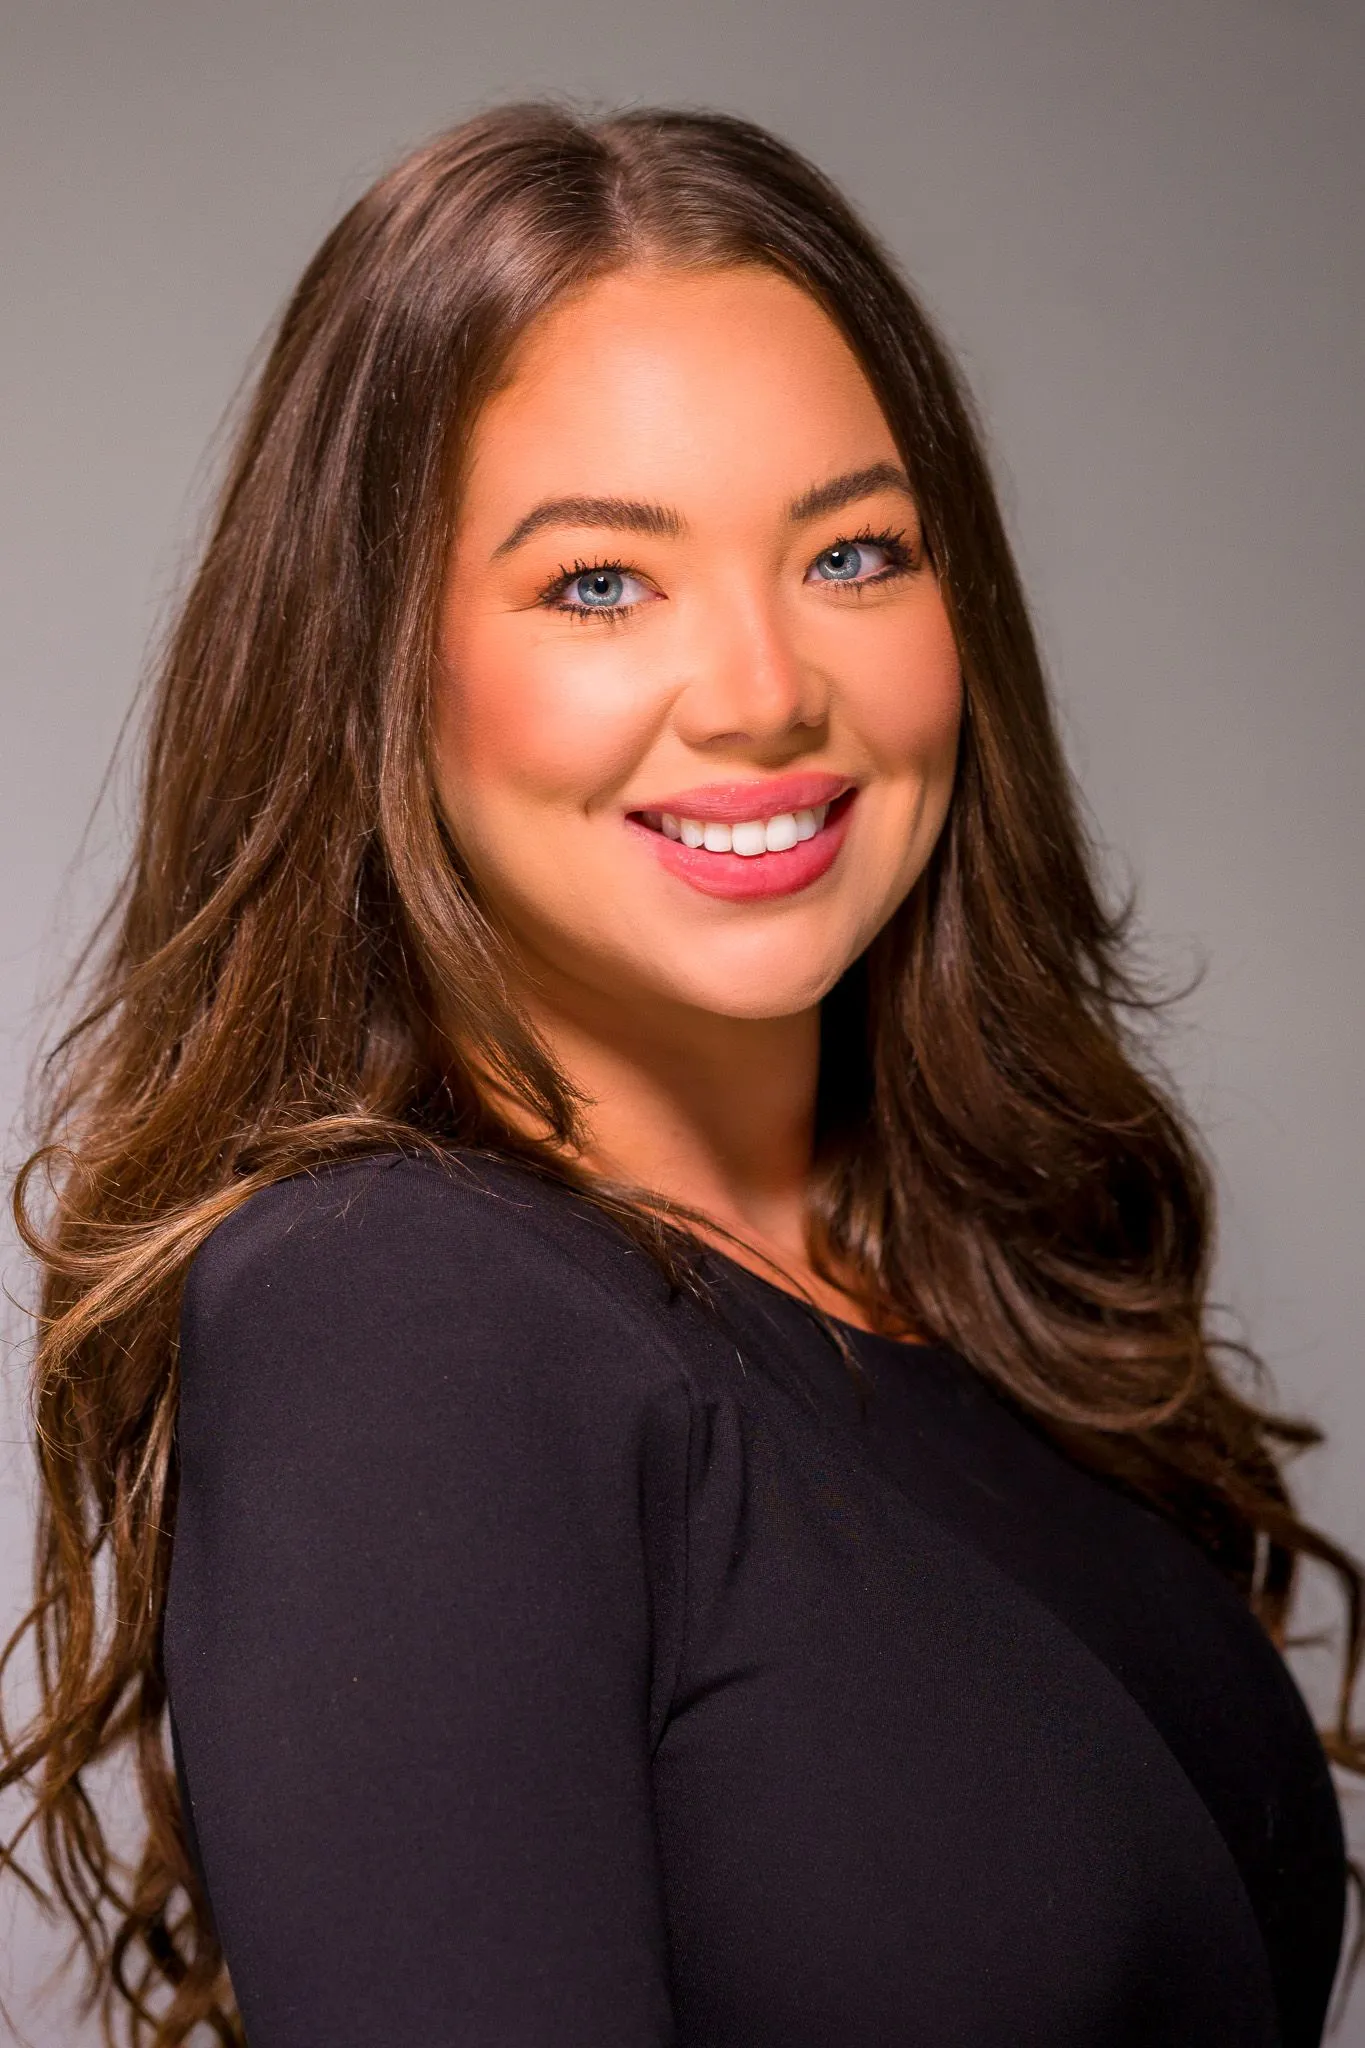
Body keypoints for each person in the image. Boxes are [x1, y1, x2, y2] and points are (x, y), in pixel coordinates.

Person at [2, 101, 1360, 2048]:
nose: (757, 687)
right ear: (380, 659)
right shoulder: (396, 1315)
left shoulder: (977, 1310)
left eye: (854, 551)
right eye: (597, 582)